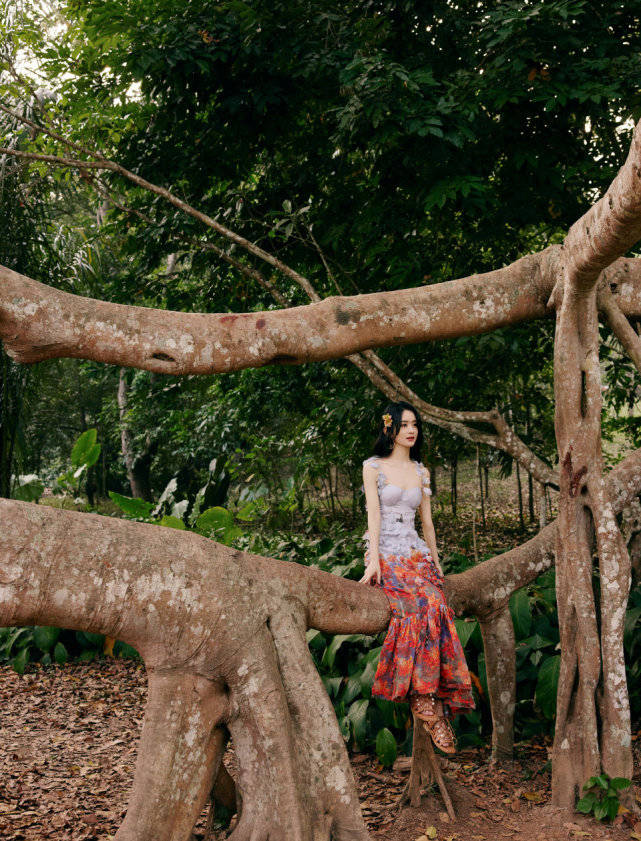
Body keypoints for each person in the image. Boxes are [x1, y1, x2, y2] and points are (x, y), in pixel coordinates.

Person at [360, 401, 474, 753]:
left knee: (435, 602)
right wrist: (373, 560)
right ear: (390, 428)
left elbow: (427, 522)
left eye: (415, 425)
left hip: (415, 552)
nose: (411, 430)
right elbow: (373, 515)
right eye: (404, 424)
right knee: (411, 607)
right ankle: (426, 704)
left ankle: (429, 697)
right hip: (387, 552)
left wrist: (435, 561)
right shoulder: (373, 467)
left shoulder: (420, 471)